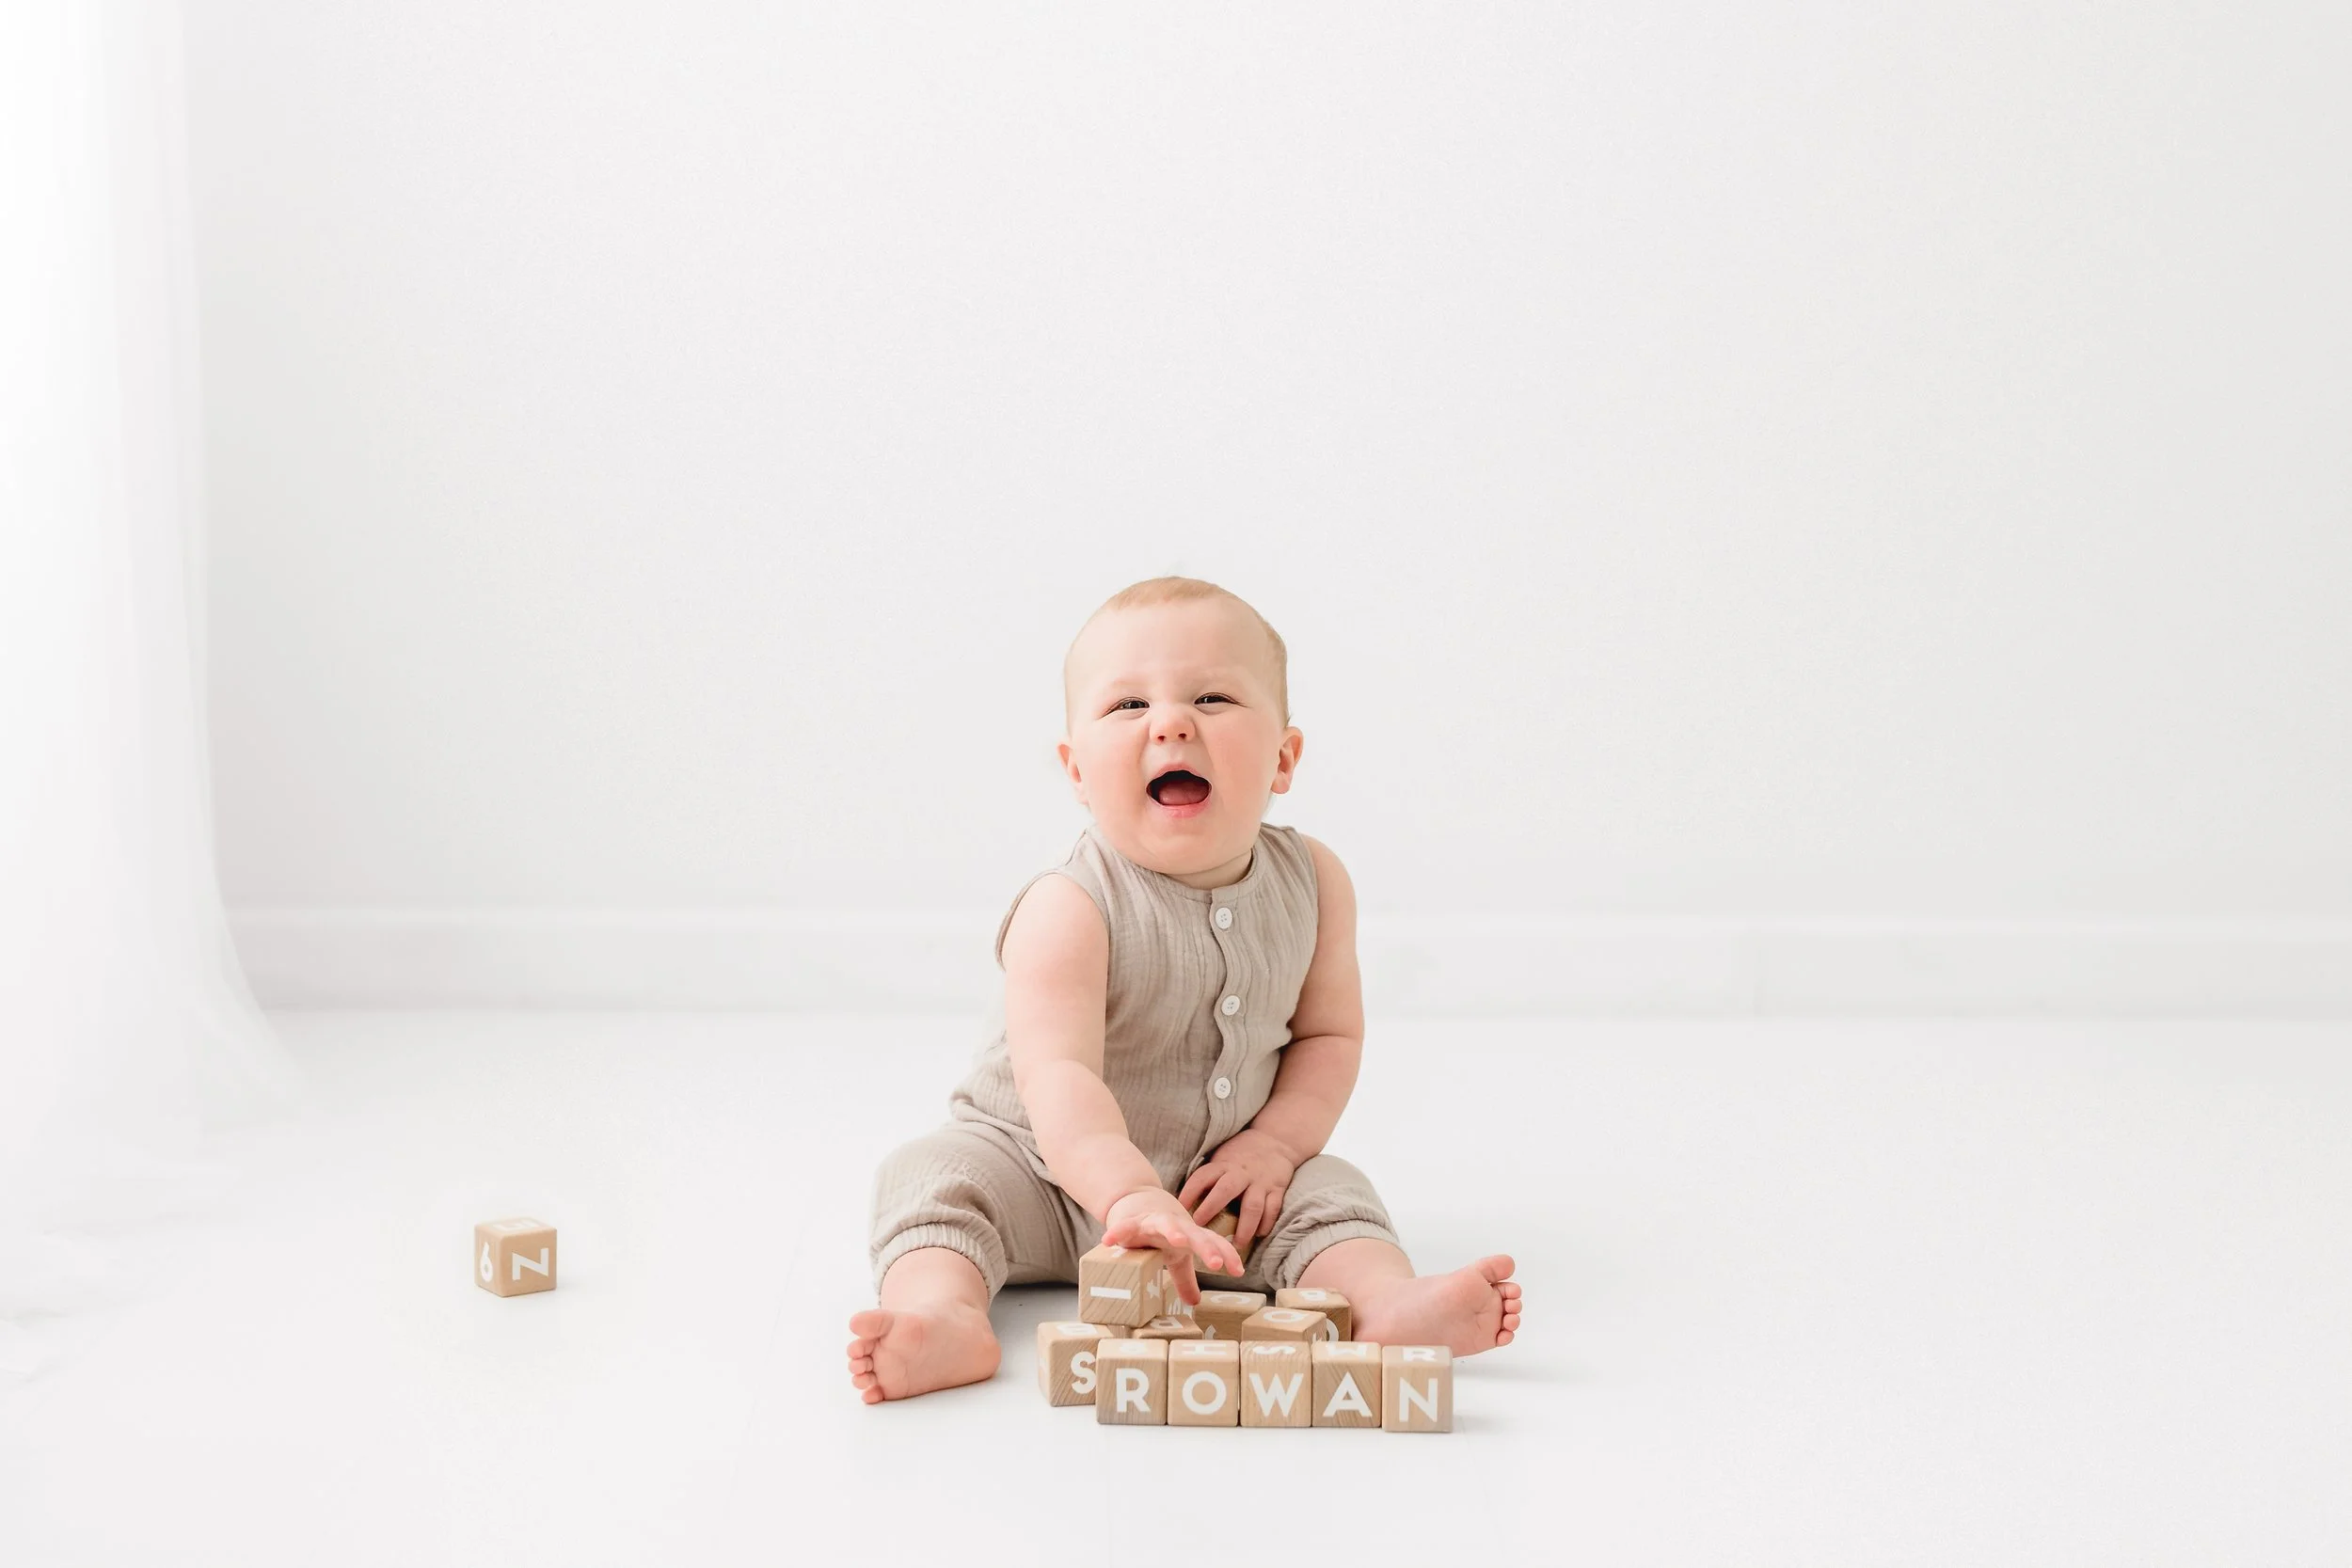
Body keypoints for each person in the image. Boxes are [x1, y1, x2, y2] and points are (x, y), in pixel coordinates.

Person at [847, 576, 1522, 1402]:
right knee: (932, 1174)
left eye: (1211, 696)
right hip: (1040, 1176)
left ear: (1283, 757)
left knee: (1332, 1188)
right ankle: (944, 1315)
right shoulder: (1069, 907)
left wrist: (1273, 1146)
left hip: (1216, 1188)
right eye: (1128, 706)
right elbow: (1059, 1077)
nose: (1171, 721)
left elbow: (1328, 1038)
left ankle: (1387, 1302)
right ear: (1077, 770)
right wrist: (1126, 1193)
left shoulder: (1316, 882)